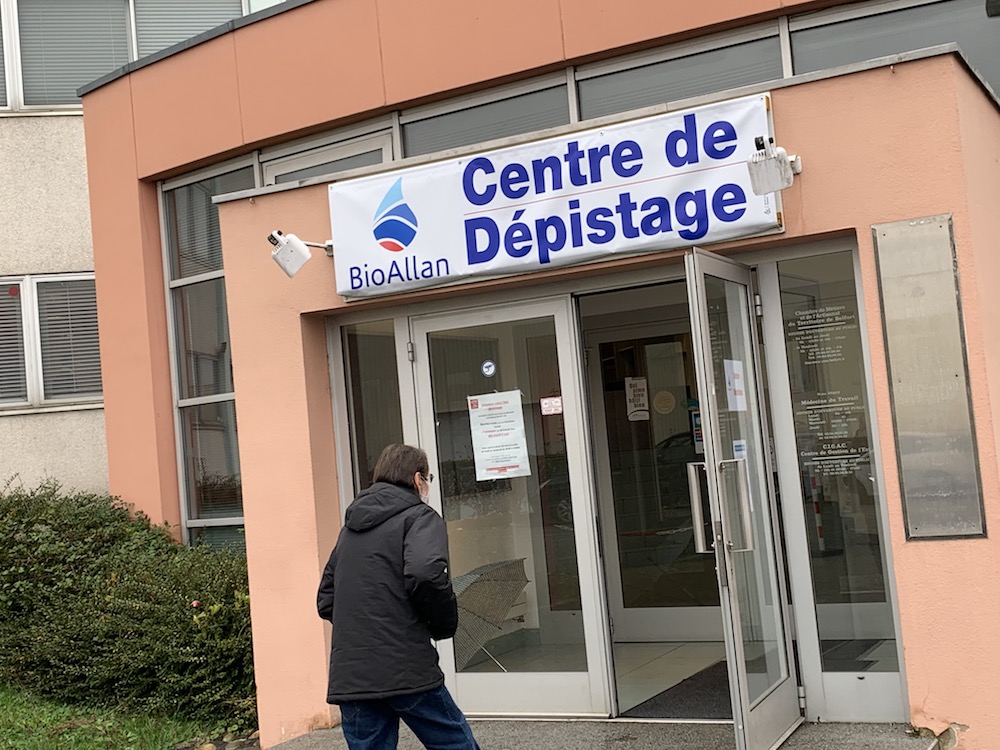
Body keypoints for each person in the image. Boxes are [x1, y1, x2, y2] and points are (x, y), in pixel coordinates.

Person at [317, 443, 481, 750]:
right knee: (454, 743)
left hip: (352, 674)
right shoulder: (420, 517)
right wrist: (443, 625)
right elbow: (425, 573)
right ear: (418, 480)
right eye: (428, 478)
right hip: (405, 666)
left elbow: (326, 598)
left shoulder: (349, 530)